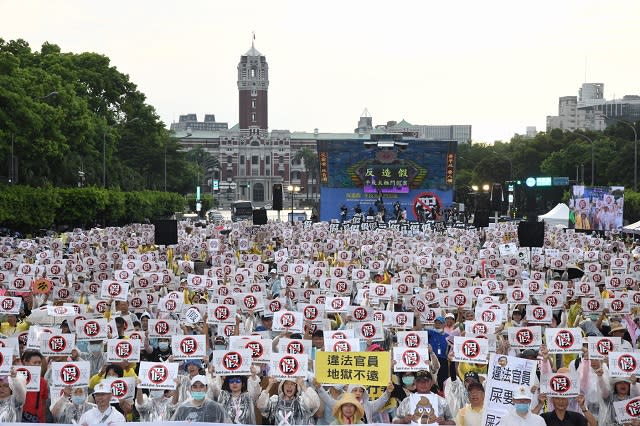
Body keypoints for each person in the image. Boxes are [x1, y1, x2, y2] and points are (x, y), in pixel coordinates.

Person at [21, 350, 48, 423]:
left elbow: (43, 403)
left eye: (39, 363)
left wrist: (42, 421)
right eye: (34, 363)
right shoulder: (17, 379)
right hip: (19, 417)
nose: (37, 365)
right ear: (25, 362)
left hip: (36, 419)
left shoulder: (42, 381)